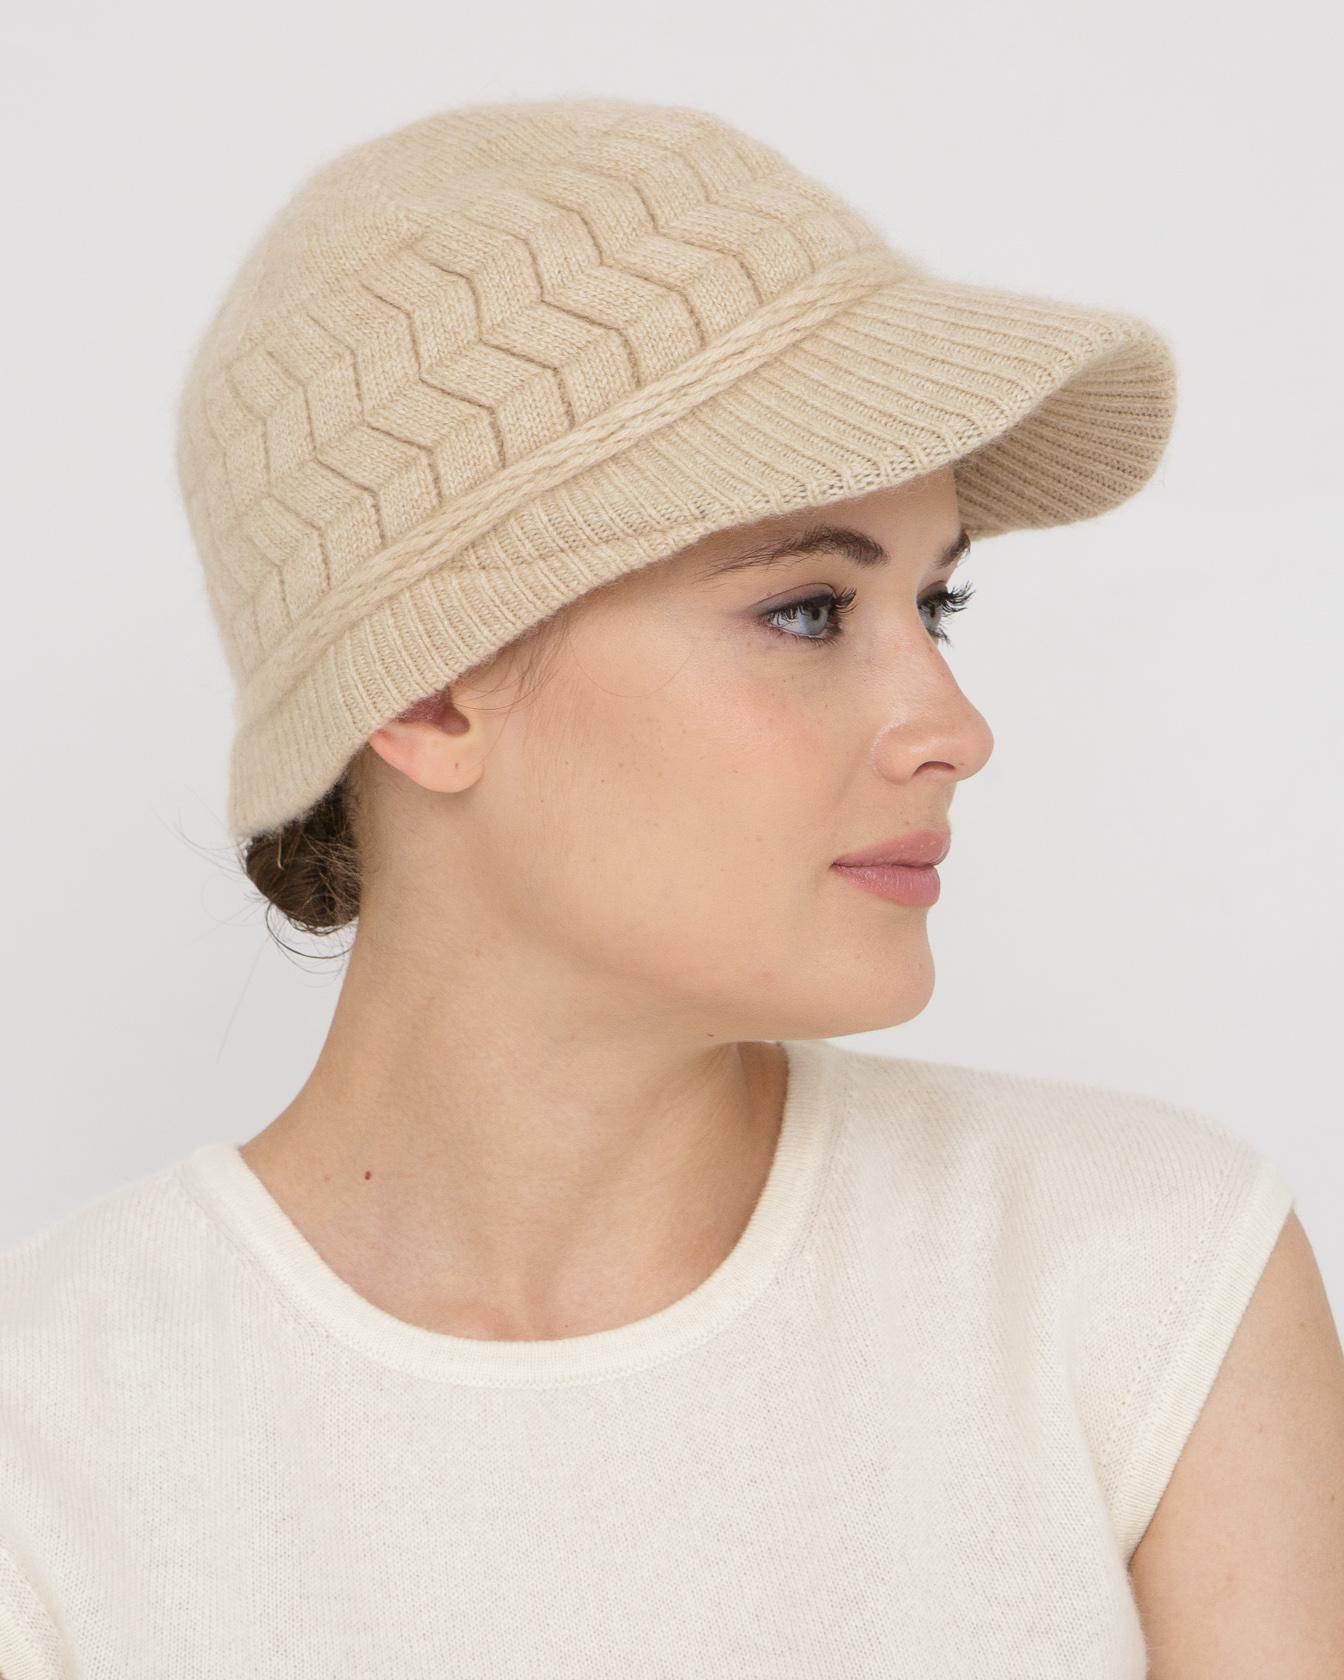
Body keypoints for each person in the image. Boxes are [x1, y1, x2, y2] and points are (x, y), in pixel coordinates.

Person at [0, 100, 1340, 1679]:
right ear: (427, 691)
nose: (956, 731)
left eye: (937, 603)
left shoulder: (1148, 1281)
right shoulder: (53, 1428)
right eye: (809, 610)